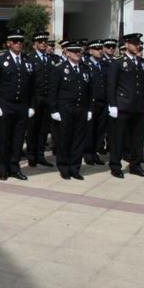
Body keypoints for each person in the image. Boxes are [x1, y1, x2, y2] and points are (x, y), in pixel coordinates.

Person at [0, 29, 36, 181]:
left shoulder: (28, 61)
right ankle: (3, 168)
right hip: (5, 105)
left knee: (18, 139)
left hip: (22, 106)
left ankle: (14, 167)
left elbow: (33, 87)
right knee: (4, 138)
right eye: (15, 41)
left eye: (21, 41)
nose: (19, 44)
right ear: (9, 43)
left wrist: (32, 106)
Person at [105, 33, 144, 178]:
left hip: (139, 107)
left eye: (139, 43)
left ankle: (135, 165)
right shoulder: (118, 63)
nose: (137, 46)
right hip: (123, 106)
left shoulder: (143, 63)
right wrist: (112, 105)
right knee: (118, 138)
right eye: (134, 43)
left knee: (138, 139)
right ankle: (115, 165)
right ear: (126, 45)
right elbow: (111, 85)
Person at [48, 41, 93, 180]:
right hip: (65, 110)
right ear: (67, 53)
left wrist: (90, 109)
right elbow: (53, 91)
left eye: (79, 51)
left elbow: (90, 91)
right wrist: (54, 110)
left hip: (81, 109)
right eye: (74, 51)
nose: (77, 53)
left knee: (78, 140)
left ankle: (75, 167)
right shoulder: (59, 68)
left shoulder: (85, 69)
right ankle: (64, 167)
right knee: (65, 140)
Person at [28, 32, 55, 167]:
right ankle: (31, 156)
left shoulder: (50, 59)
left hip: (47, 99)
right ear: (35, 45)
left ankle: (40, 155)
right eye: (40, 42)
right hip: (35, 99)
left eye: (45, 41)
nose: (43, 44)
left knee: (44, 129)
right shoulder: (30, 59)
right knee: (33, 128)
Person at [84, 40, 108, 164]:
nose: (100, 51)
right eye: (97, 49)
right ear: (90, 51)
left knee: (100, 130)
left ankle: (95, 153)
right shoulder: (85, 65)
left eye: (100, 49)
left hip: (103, 103)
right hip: (91, 102)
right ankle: (88, 154)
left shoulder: (104, 64)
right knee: (90, 130)